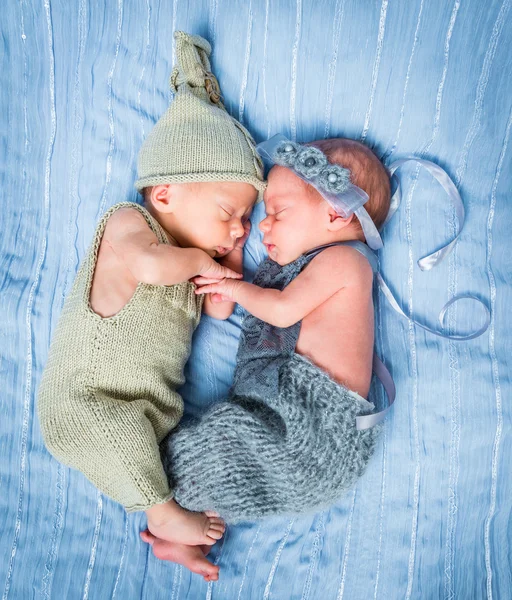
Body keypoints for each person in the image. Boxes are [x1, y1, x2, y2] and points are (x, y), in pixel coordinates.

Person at [37, 31, 265, 583]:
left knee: (163, 461)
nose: (238, 229)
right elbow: (149, 269)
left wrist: (227, 261)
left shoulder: (191, 265)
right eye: (228, 212)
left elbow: (215, 313)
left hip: (148, 415)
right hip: (84, 402)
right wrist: (200, 259)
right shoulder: (130, 227)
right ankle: (163, 515)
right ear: (165, 193)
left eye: (245, 222)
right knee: (127, 446)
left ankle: (170, 542)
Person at [141, 135, 391, 577]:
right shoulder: (302, 266)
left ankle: (168, 517)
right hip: (286, 413)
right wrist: (234, 261)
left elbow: (280, 310)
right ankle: (176, 532)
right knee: (218, 452)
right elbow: (249, 311)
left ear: (336, 214)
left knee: (201, 455)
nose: (263, 227)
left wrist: (236, 288)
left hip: (317, 431)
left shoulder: (347, 263)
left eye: (277, 213)